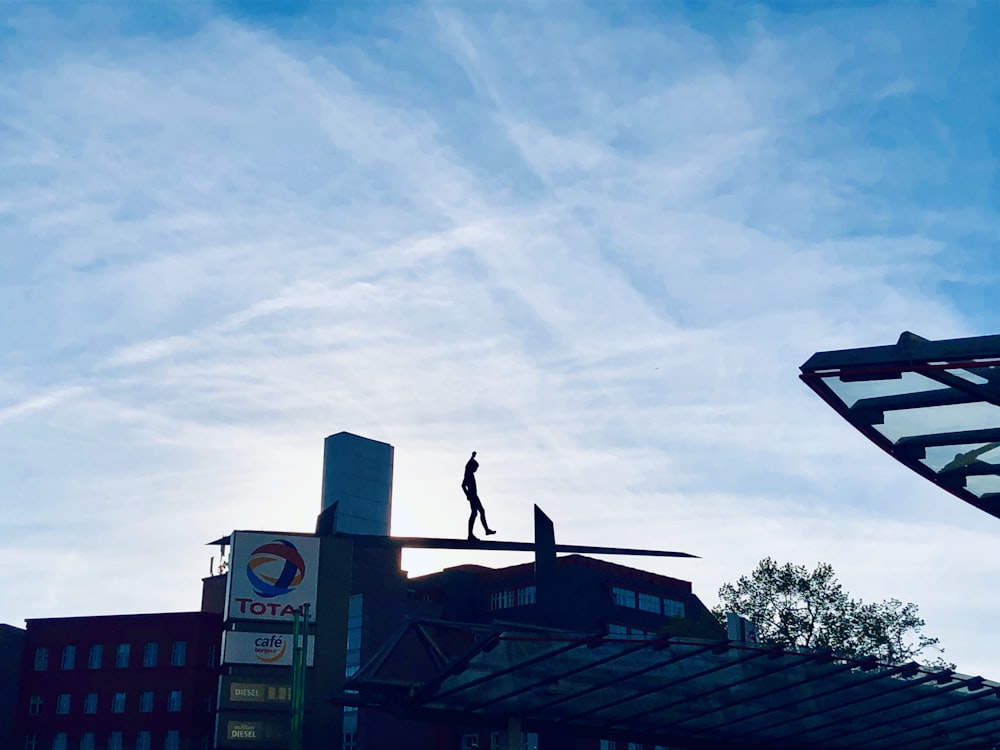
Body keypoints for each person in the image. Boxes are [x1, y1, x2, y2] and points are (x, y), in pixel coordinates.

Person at [462, 451, 495, 540]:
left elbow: (467, 465)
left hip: (474, 495)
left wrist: (472, 457)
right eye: (475, 468)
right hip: (473, 496)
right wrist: (467, 494)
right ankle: (471, 534)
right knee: (476, 513)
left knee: (477, 512)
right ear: (472, 467)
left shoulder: (470, 473)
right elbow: (463, 485)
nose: (476, 470)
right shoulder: (468, 473)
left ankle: (484, 531)